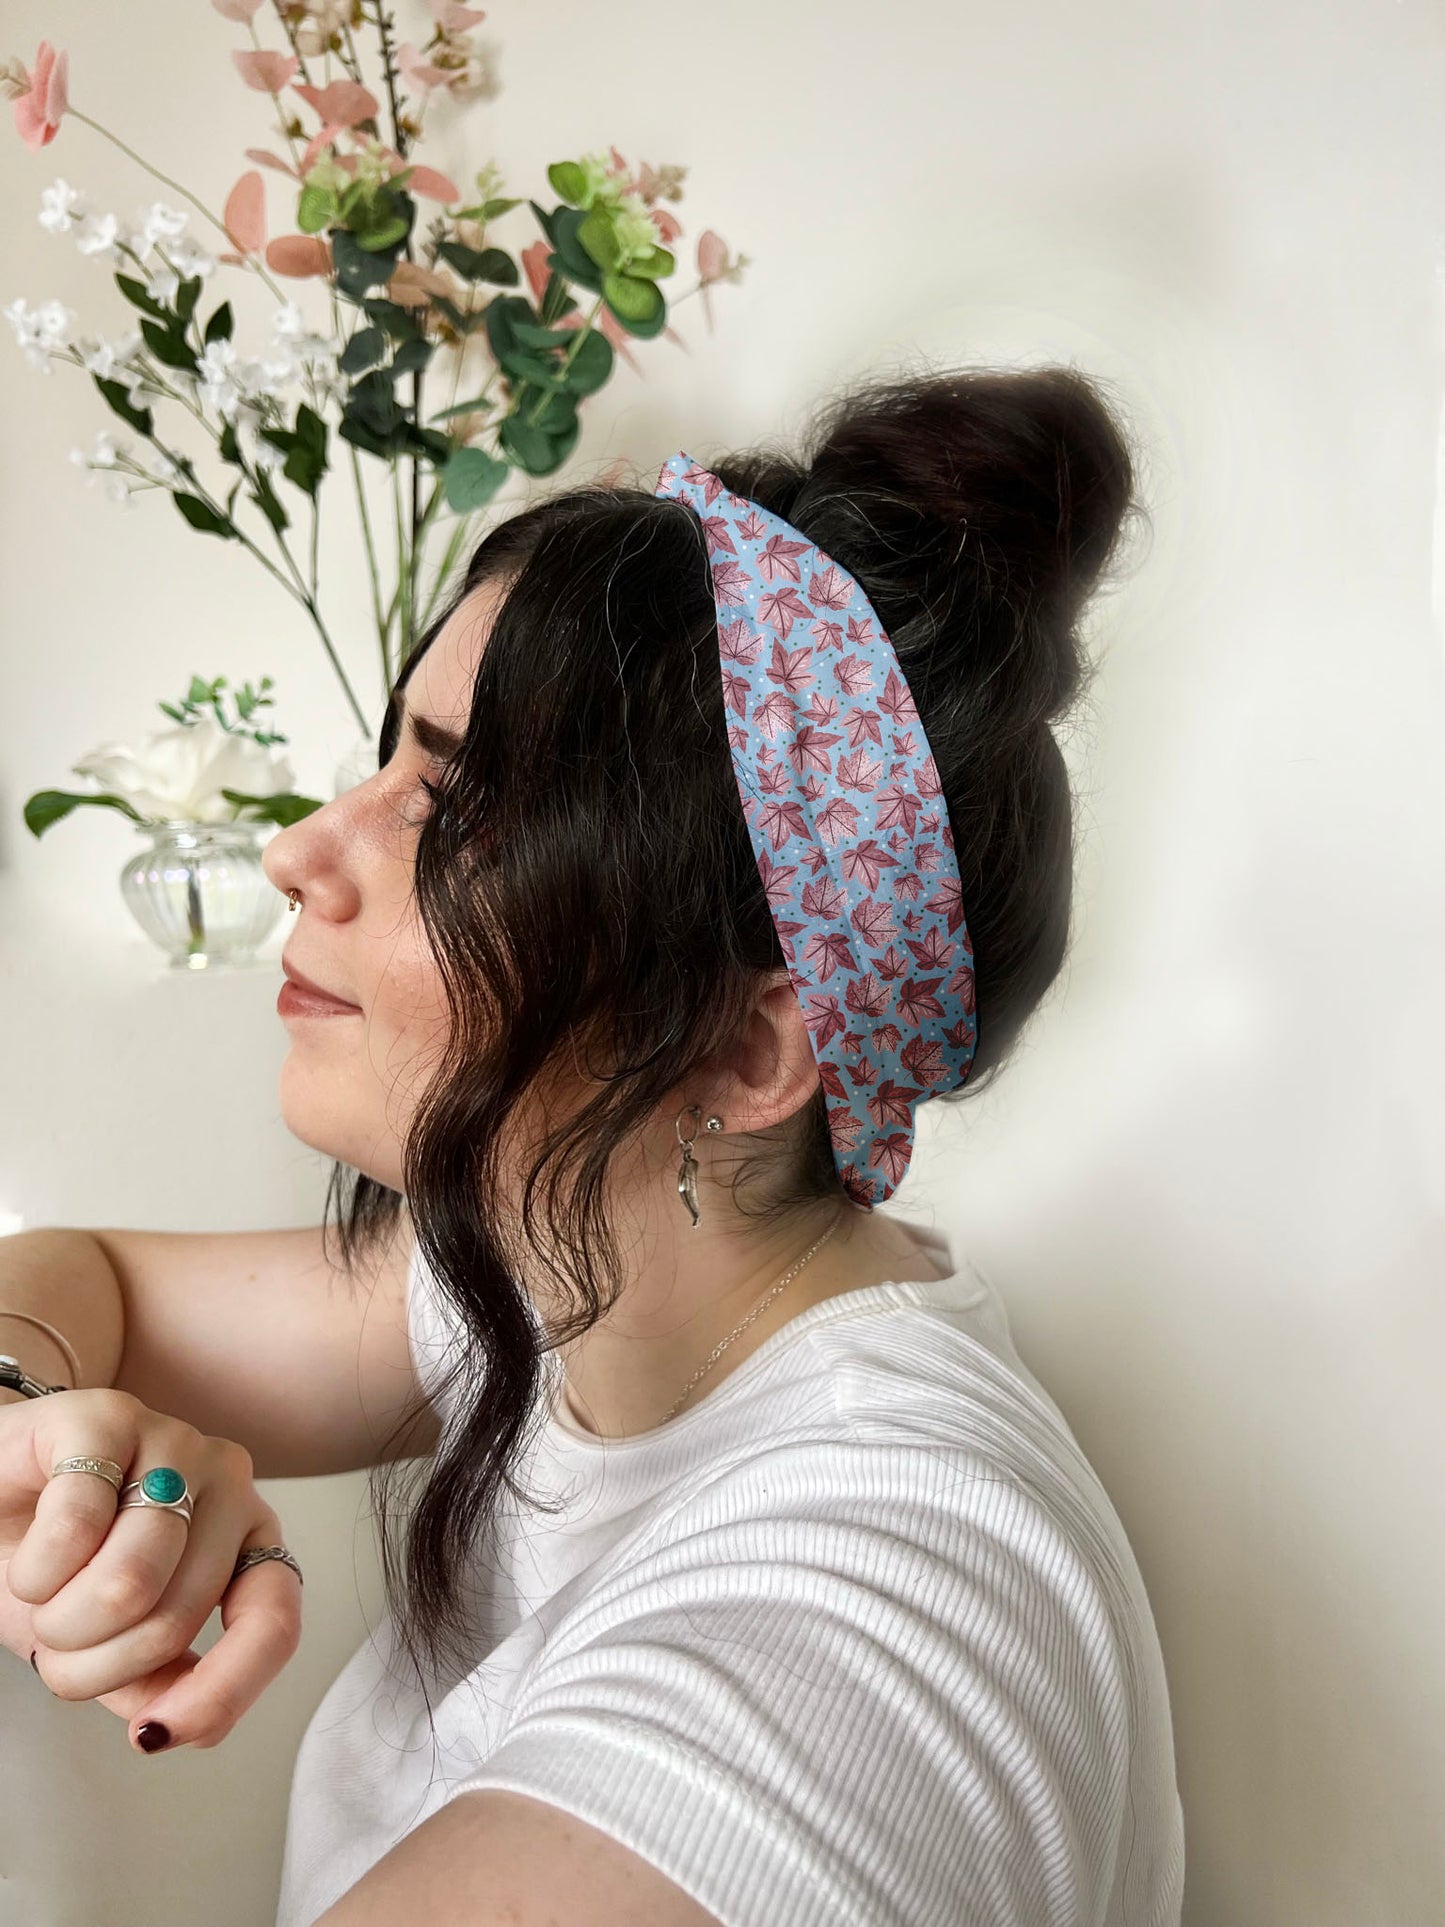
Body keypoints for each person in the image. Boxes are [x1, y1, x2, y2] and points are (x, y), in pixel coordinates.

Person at [0, 367, 1186, 1925]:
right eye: (393, 761)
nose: (301, 848)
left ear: (746, 1048)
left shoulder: (877, 1618)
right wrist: (45, 1432)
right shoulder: (579, 1279)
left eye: (457, 809)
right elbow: (78, 1281)